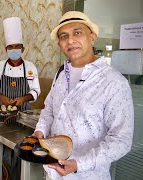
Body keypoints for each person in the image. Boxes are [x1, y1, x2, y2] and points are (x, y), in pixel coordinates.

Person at [33, 11, 134, 180]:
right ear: (59, 43)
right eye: (64, 36)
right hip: (52, 173)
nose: (70, 40)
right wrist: (40, 130)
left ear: (92, 37)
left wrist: (80, 164)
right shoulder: (60, 74)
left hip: (88, 176)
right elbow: (49, 108)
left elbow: (121, 140)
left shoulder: (114, 82)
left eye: (77, 33)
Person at [0, 17, 41, 180]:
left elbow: (36, 90)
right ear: (6, 49)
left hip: (24, 120)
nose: (14, 50)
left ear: (23, 48)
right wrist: (1, 97)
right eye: (11, 47)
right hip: (2, 119)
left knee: (21, 151)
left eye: (17, 47)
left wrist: (23, 98)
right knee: (2, 153)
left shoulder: (30, 68)